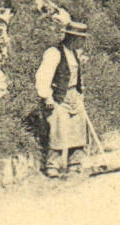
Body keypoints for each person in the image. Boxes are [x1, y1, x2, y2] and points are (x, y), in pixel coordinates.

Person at [35, 20, 91, 178]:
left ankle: (75, 163)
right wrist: (46, 97)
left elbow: (76, 77)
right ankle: (53, 166)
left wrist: (80, 93)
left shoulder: (75, 54)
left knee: (78, 128)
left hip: (74, 95)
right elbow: (43, 75)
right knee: (58, 129)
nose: (83, 42)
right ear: (72, 38)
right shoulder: (54, 53)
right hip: (58, 96)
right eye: (81, 39)